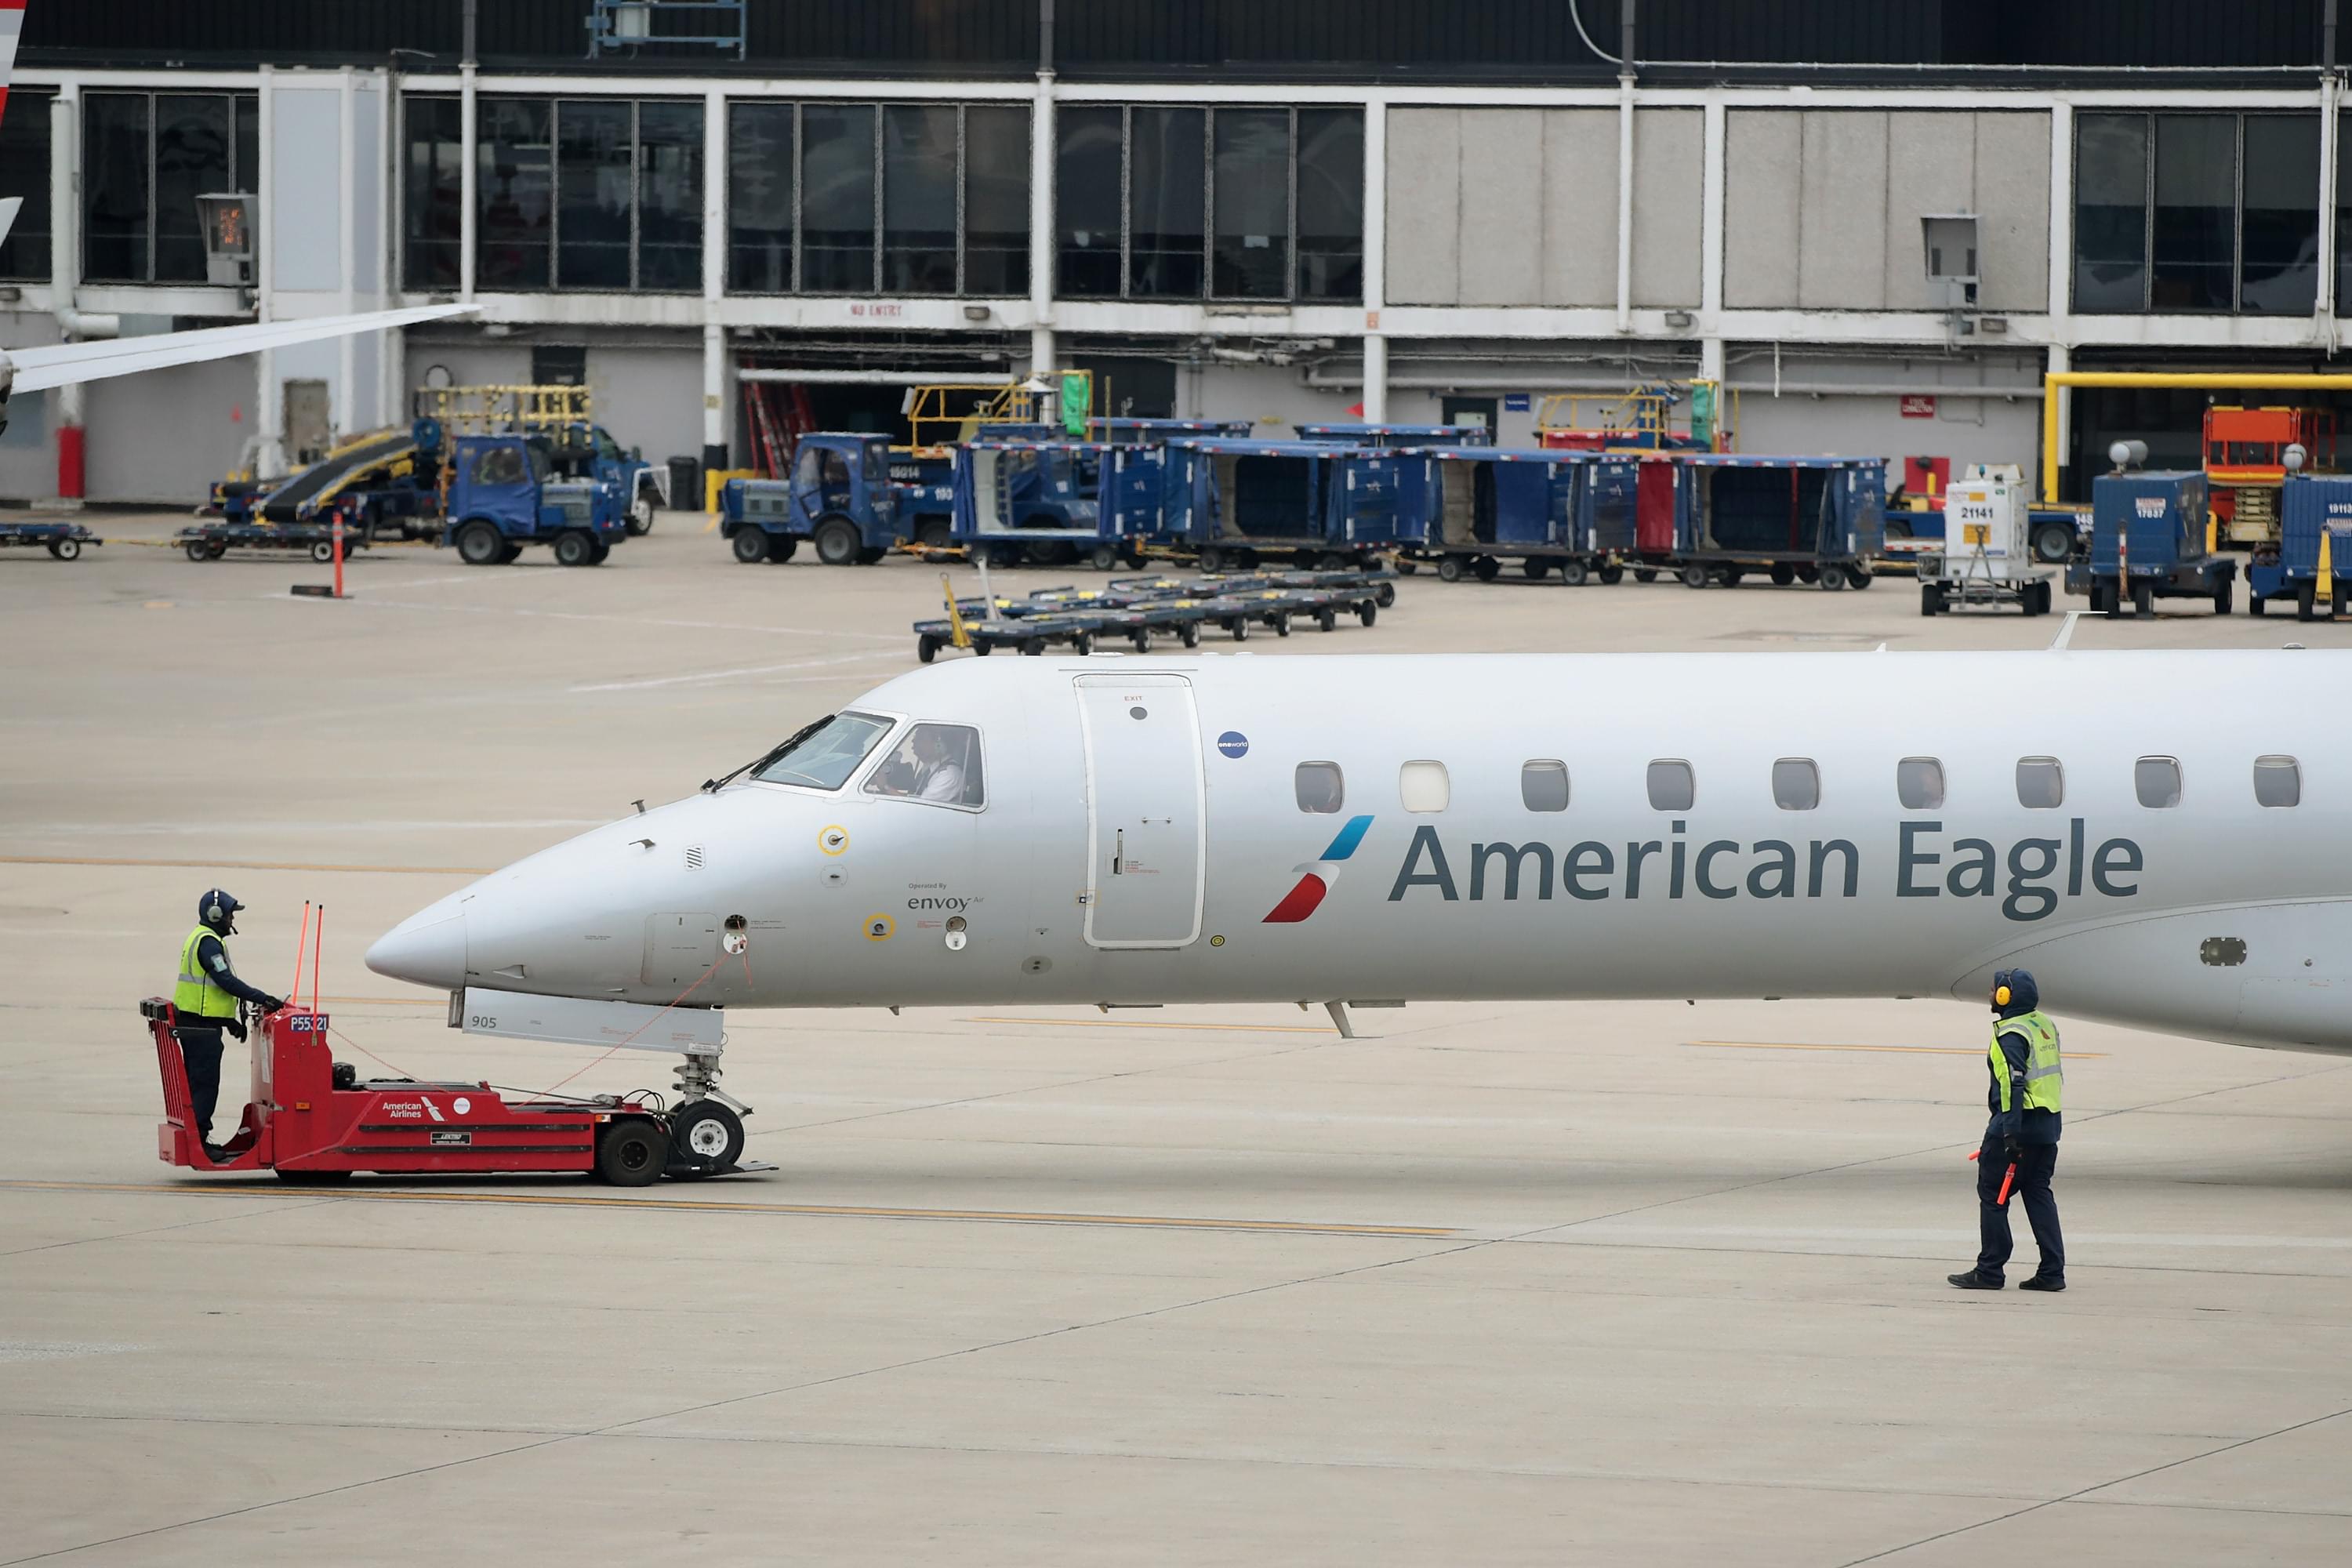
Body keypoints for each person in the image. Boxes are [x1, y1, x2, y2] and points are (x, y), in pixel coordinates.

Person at [1949, 967, 2065, 1292]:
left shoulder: (2010, 1034)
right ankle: (2052, 1272)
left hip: (2016, 1126)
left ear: (2005, 997)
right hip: (2048, 1127)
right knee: (2038, 1193)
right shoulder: (2044, 1024)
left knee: (1993, 1197)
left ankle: (1990, 1271)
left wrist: (2009, 1135)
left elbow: (2015, 1083)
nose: (1989, 995)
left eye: (1993, 990)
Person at [171, 890, 285, 1157]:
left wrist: (228, 1022)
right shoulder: (208, 943)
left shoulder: (202, 938)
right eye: (230, 913)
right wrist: (263, 998)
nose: (232, 918)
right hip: (199, 1027)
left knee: (201, 1080)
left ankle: (197, 1136)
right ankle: (199, 1140)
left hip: (200, 1022)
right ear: (215, 915)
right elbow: (226, 982)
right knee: (204, 1082)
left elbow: (206, 993)